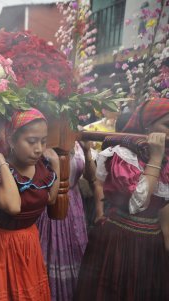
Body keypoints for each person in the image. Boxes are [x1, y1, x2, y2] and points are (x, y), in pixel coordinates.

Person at [75, 98, 169, 300]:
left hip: (151, 243)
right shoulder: (124, 154)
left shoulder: (166, 158)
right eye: (167, 125)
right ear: (148, 125)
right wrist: (155, 158)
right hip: (121, 240)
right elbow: (138, 203)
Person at [0, 108, 60, 301]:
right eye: (32, 142)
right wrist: (1, 161)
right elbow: (12, 206)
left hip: (27, 243)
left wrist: (57, 164)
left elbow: (50, 199)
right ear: (11, 140)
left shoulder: (43, 166)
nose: (39, 149)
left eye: (43, 141)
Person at [36, 140, 99, 301]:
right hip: (49, 206)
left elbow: (91, 177)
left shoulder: (78, 144)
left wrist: (87, 152)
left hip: (74, 205)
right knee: (50, 251)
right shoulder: (44, 143)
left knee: (75, 249)